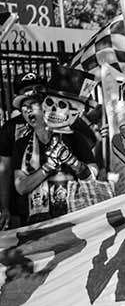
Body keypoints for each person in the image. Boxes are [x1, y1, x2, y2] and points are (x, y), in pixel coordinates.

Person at [10, 66, 100, 225]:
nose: (27, 109)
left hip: (73, 218)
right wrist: (47, 167)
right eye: (24, 106)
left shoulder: (75, 137)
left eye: (33, 104)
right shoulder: (21, 144)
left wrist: (73, 162)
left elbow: (92, 175)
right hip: (36, 224)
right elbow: (21, 187)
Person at [0, 69, 47, 229]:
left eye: (36, 91)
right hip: (22, 208)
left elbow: (89, 145)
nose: (31, 94)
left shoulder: (60, 118)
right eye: (26, 92)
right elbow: (4, 169)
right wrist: (5, 207)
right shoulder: (10, 128)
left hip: (60, 203)